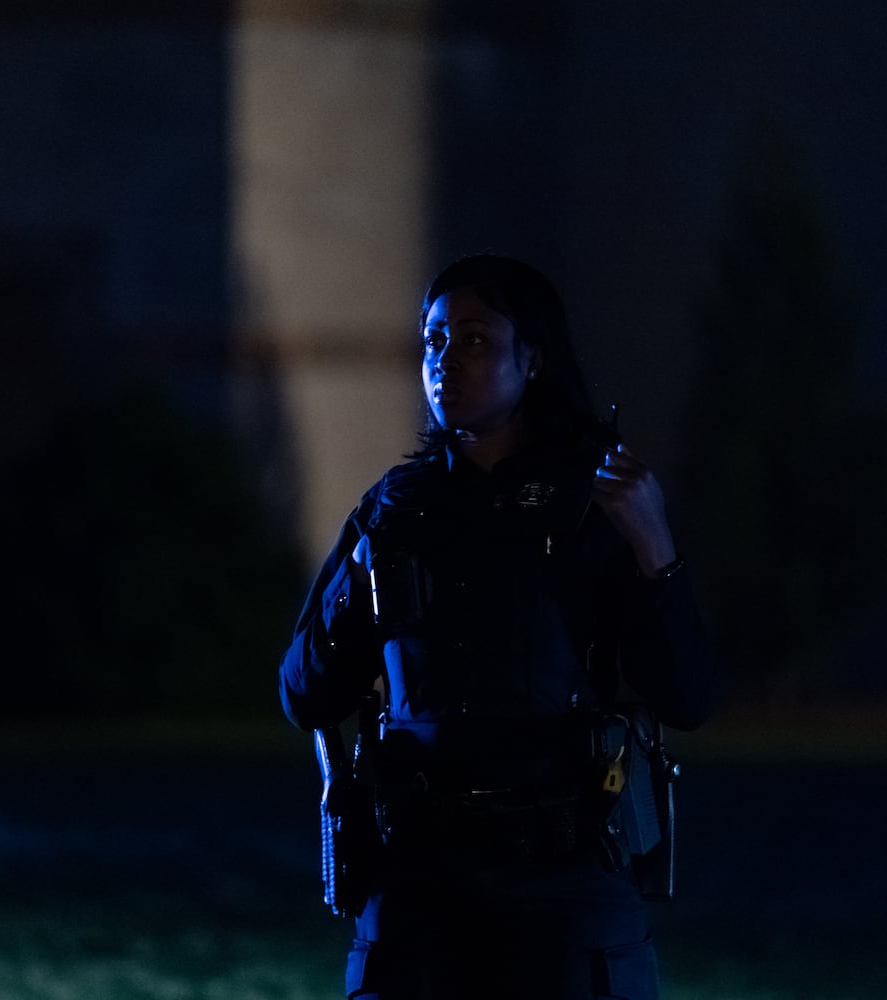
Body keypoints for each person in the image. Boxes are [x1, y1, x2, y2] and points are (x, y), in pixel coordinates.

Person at [280, 254, 719, 999]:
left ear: (534, 357)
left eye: (475, 339)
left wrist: (655, 548)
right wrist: (362, 572)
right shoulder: (395, 508)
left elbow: (688, 696)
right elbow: (305, 693)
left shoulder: (597, 500)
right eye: (434, 341)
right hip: (418, 876)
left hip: (563, 875)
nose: (446, 360)